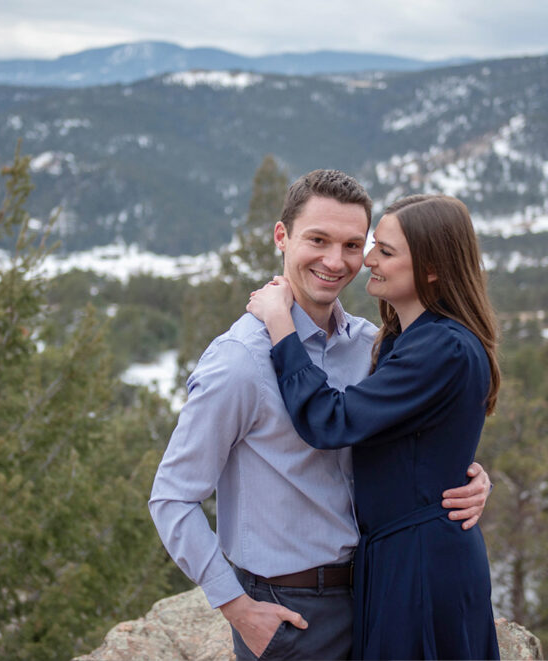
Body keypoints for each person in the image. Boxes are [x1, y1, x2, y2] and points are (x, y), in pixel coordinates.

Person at [149, 171, 493, 660]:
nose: (338, 261)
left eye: (354, 244)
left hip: (378, 592)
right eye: (318, 240)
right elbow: (172, 498)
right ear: (281, 237)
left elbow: (418, 434)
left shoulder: (372, 346)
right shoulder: (239, 363)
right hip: (291, 614)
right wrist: (236, 607)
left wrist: (468, 479)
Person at [246, 193, 501, 660]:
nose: (367, 261)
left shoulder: (442, 348)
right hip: (400, 555)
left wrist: (280, 323)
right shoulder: (412, 341)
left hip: (420, 563)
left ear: (431, 268)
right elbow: (422, 442)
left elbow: (330, 421)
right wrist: (463, 471)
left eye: (384, 251)